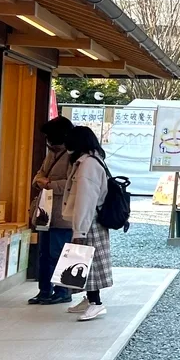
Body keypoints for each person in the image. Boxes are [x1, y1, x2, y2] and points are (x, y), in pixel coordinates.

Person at [62, 126, 112, 322]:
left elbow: (86, 199)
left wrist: (79, 230)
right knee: (85, 261)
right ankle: (89, 298)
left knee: (88, 263)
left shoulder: (87, 165)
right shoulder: (93, 160)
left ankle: (96, 303)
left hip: (89, 220)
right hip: (91, 219)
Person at [29, 116, 75, 305]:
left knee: (59, 252)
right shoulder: (51, 153)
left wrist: (49, 184)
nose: (47, 139)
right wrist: (41, 181)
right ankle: (45, 290)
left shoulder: (73, 155)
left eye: (49, 135)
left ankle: (63, 290)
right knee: (44, 253)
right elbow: (39, 174)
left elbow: (72, 183)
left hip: (62, 214)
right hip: (44, 213)